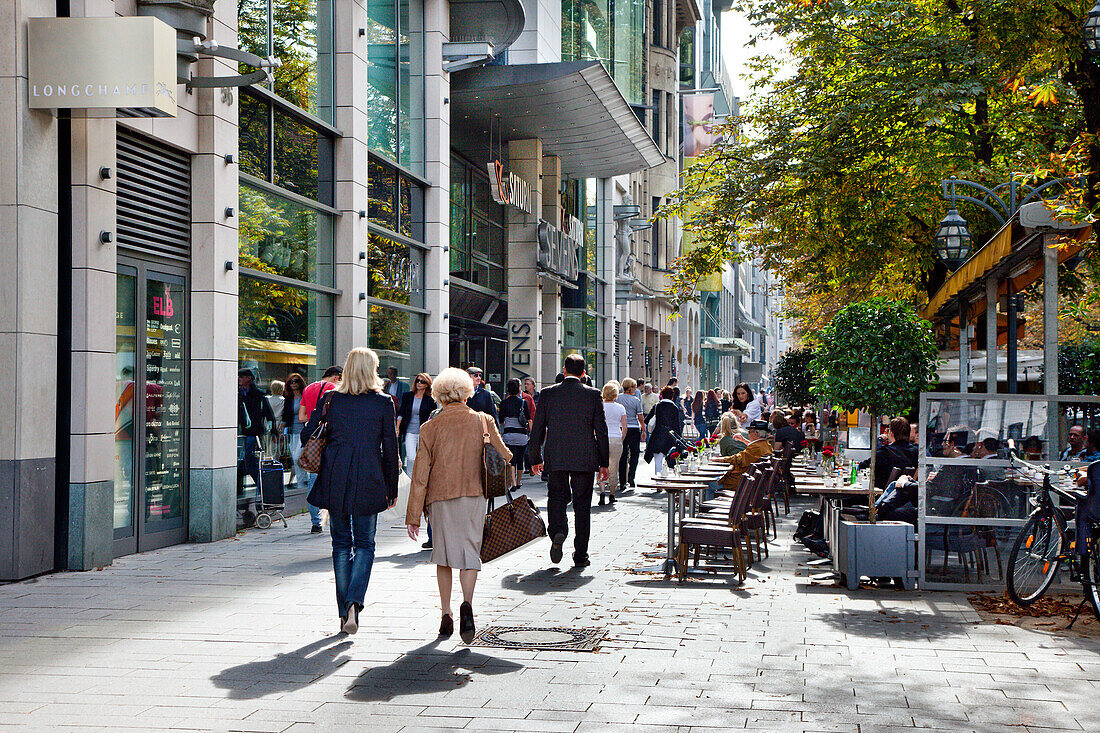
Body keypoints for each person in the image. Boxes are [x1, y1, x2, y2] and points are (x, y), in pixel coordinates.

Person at [406, 368, 511, 642]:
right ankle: (467, 603)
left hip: (439, 497)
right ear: (467, 391)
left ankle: (446, 613)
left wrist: (413, 515)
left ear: (439, 395)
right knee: (469, 552)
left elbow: (420, 474)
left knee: (443, 556)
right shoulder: (484, 420)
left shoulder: (430, 427)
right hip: (475, 494)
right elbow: (504, 455)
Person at [301, 347, 399, 635]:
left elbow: (308, 433)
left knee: (341, 544)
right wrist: (391, 487)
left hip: (335, 474)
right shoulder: (383, 403)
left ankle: (344, 611)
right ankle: (355, 601)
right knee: (365, 544)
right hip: (370, 475)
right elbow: (390, 448)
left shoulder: (331, 399)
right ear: (372, 370)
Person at [528, 354, 610, 568]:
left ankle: (558, 530)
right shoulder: (592, 395)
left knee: (556, 497)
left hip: (556, 455)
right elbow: (601, 430)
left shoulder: (548, 394)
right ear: (584, 373)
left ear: (564, 370)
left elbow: (538, 428)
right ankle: (581, 554)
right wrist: (604, 462)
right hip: (585, 456)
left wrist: (535, 456)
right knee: (583, 506)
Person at [299, 365, 343, 530]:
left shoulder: (308, 388)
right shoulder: (333, 390)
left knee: (313, 479)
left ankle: (315, 522)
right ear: (337, 378)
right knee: (334, 479)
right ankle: (335, 520)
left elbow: (302, 416)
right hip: (327, 439)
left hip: (313, 439)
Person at [282, 373, 320, 533]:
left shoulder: (307, 394)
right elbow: (287, 414)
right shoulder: (289, 398)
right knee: (296, 458)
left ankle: (303, 481)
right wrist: (283, 428)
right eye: (291, 381)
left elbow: (306, 416)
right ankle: (300, 482)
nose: (294, 384)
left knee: (300, 458)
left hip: (306, 433)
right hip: (295, 432)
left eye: (296, 381)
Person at [237, 368, 275, 497]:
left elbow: (267, 412)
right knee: (240, 461)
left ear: (249, 378)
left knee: (249, 460)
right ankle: (240, 488)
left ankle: (261, 487)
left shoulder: (258, 394)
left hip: (253, 433)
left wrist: (271, 426)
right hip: (238, 431)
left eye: (241, 377)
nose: (239, 379)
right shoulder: (236, 392)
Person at [858, 416, 918, 490]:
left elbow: (863, 466)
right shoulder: (916, 452)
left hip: (882, 495)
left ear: (891, 433)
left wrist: (879, 440)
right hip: (906, 497)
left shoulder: (885, 453)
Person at [712, 420, 774, 491]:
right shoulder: (766, 445)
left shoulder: (756, 448)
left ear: (756, 433)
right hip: (749, 481)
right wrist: (743, 440)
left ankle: (707, 501)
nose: (749, 434)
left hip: (740, 481)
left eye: (750, 432)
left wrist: (720, 459)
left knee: (709, 484)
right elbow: (754, 449)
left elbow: (738, 459)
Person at [397, 373, 437, 478]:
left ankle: (421, 478)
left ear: (427, 384)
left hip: (423, 433)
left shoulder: (430, 399)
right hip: (410, 431)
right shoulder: (408, 396)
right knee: (411, 457)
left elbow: (433, 417)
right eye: (418, 381)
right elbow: (401, 413)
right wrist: (397, 428)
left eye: (422, 381)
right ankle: (411, 479)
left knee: (423, 457)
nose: (419, 383)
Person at [499, 378, 531, 492]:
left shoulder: (504, 403)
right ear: (518, 389)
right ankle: (518, 482)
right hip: (522, 435)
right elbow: (529, 419)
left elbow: (501, 420)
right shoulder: (523, 402)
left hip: (509, 435)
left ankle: (512, 482)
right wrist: (530, 433)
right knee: (520, 458)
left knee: (511, 459)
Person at [643, 386, 684, 477]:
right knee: (670, 459)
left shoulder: (657, 406)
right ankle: (668, 479)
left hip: (657, 435)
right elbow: (677, 425)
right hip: (669, 436)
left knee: (658, 460)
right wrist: (679, 439)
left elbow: (646, 420)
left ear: (662, 395)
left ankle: (658, 481)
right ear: (672, 396)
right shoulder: (674, 407)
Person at [600, 381, 628, 505]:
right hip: (616, 437)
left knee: (601, 466)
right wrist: (621, 438)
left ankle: (601, 492)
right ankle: (612, 494)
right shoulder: (620, 408)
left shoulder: (600, 406)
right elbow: (624, 427)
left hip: (603, 438)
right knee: (614, 467)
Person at [616, 378, 645, 489]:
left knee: (622, 455)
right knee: (634, 454)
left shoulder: (617, 398)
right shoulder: (636, 400)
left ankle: (622, 480)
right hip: (633, 428)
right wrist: (643, 429)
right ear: (631, 387)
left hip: (621, 428)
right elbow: (640, 417)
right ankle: (631, 477)